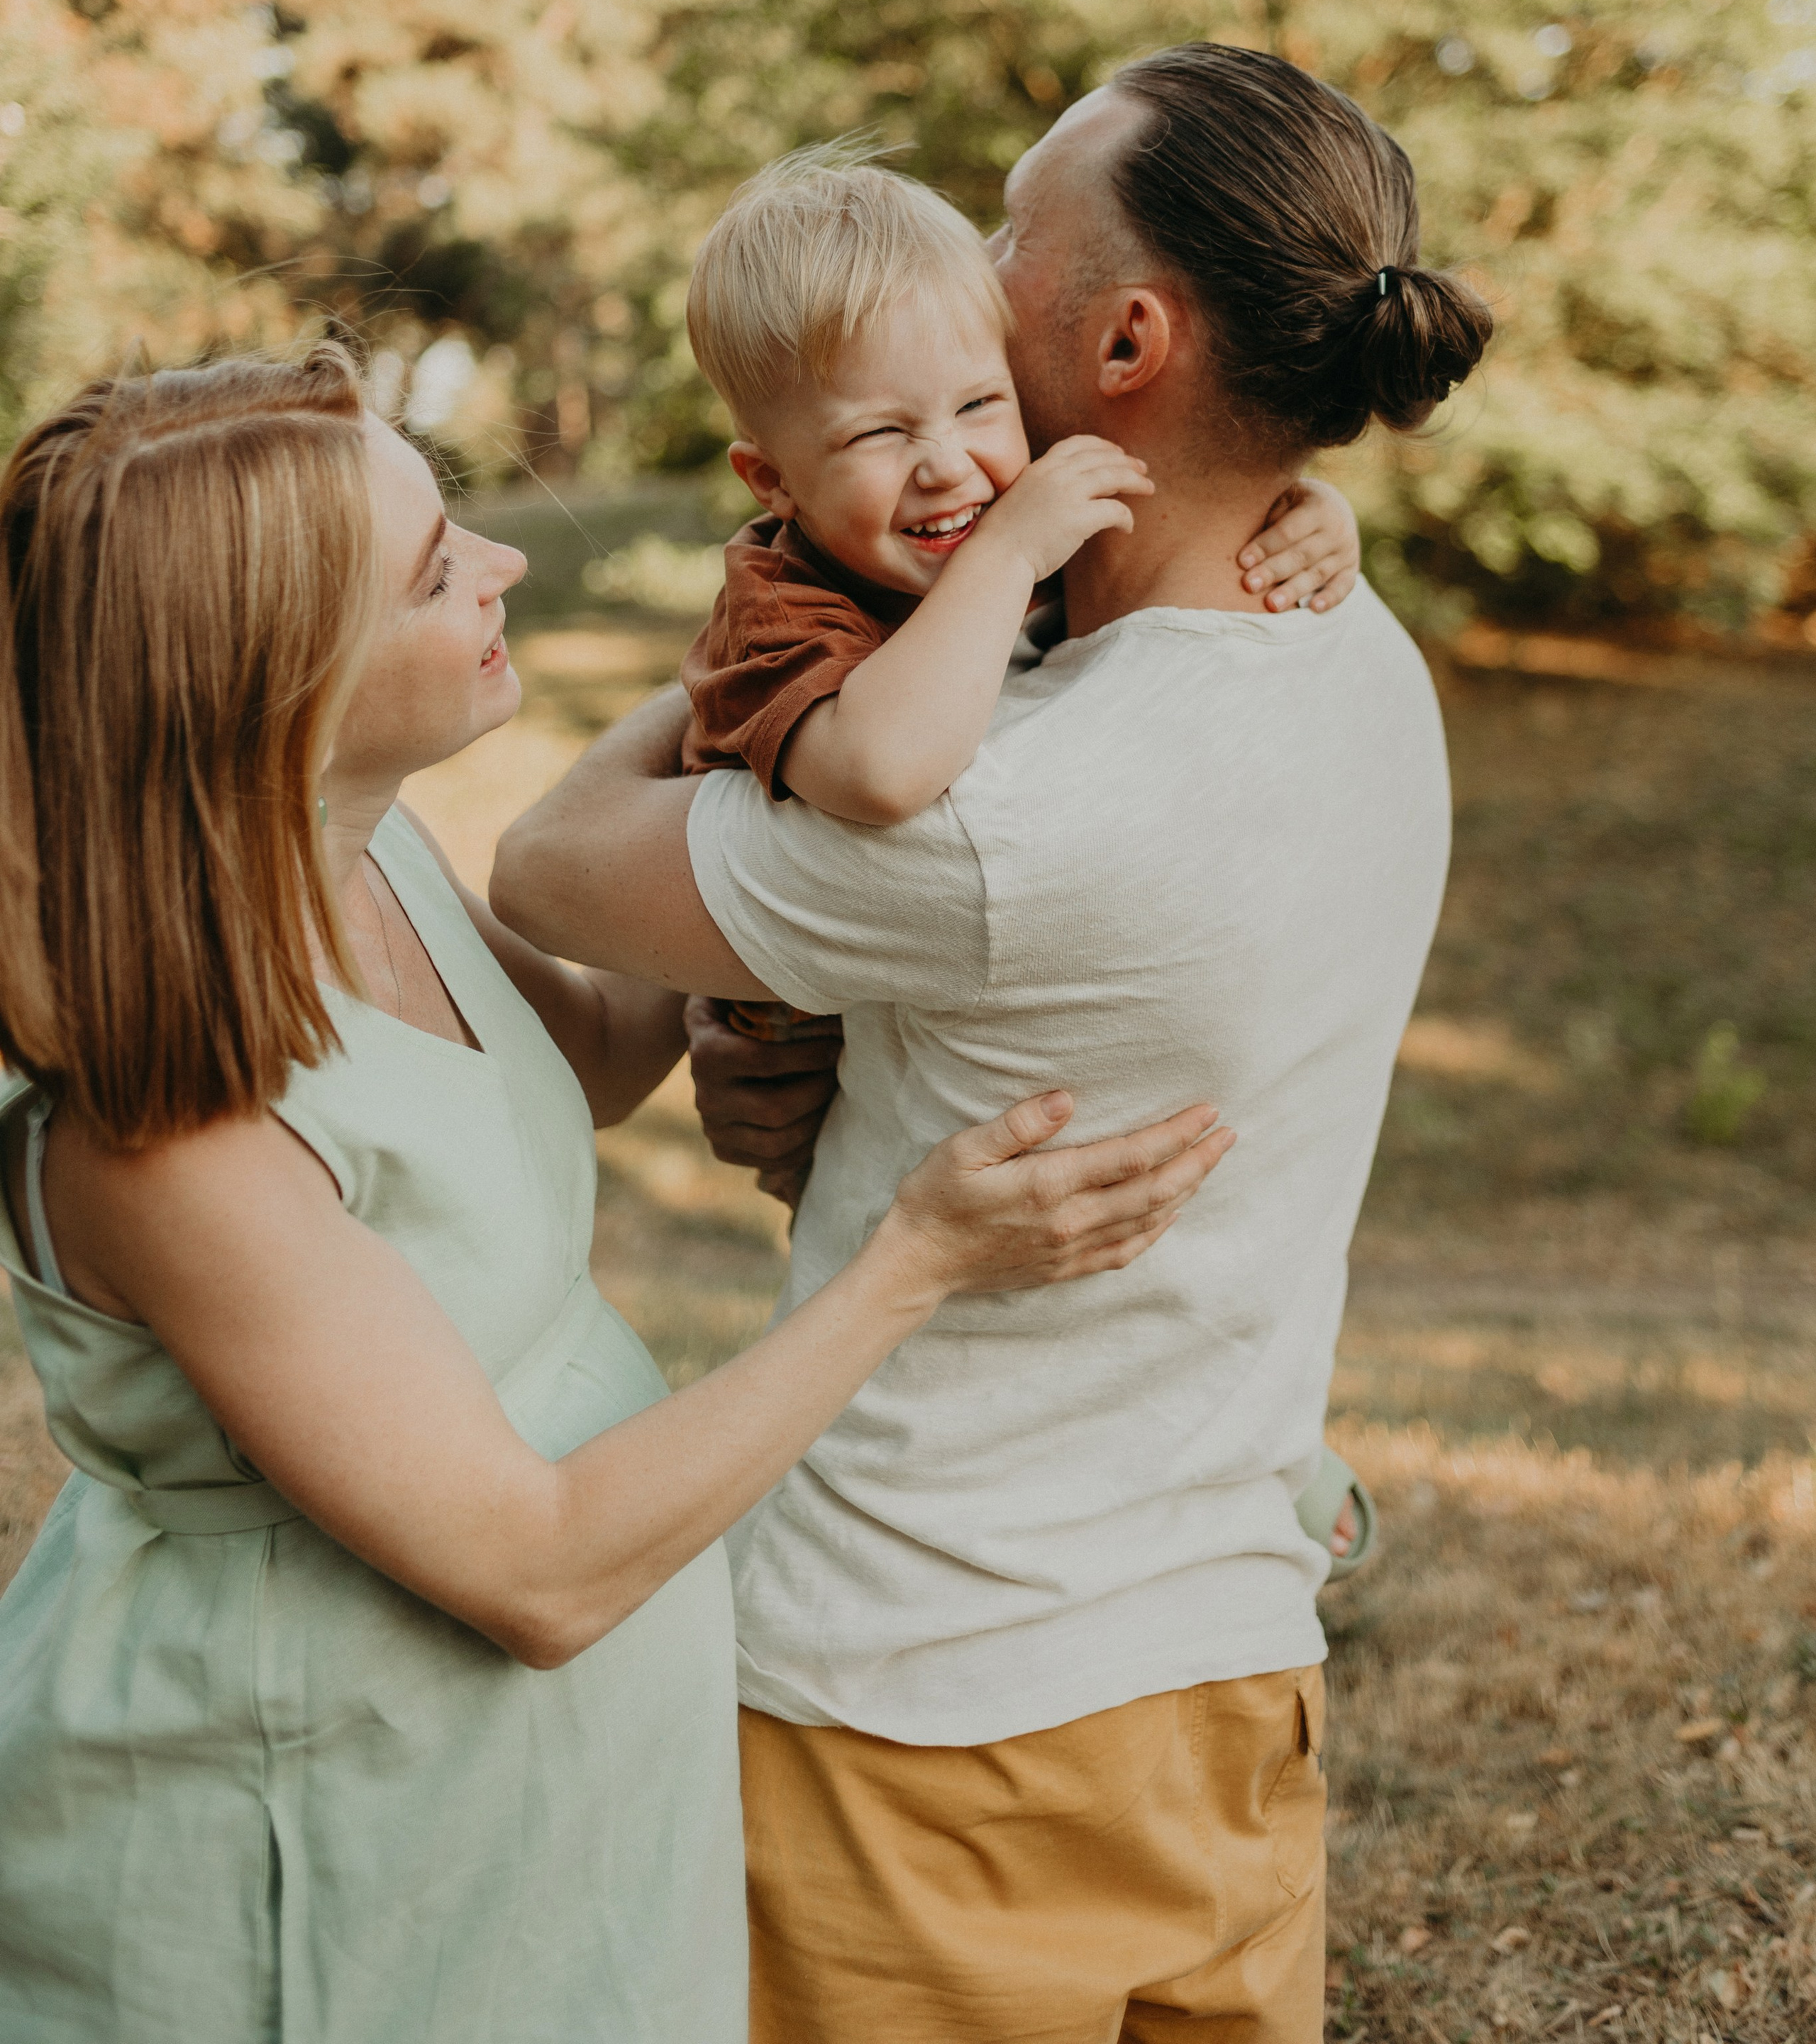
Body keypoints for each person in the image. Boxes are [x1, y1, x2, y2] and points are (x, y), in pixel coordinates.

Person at [0, 347, 1234, 2043]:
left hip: (519, 1784)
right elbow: (535, 1571)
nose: (503, 565)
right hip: (305, 1805)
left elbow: (562, 1064)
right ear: (278, 684)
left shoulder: (360, 849)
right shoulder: (170, 1132)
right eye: (440, 570)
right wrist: (918, 1259)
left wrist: (782, 680)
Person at [492, 42, 1492, 2044]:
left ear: (1123, 337)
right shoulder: (1356, 662)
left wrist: (738, 640)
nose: (969, 274)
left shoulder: (982, 818)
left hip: (926, 1719)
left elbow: (545, 869)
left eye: (1010, 241)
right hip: (1225, 1685)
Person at [675, 148, 1376, 1572]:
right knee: (926, 1233)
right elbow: (878, 770)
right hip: (798, 1024)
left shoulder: (981, 522)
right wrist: (1009, 552)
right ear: (770, 478)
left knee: (1117, 1174)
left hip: (917, 980)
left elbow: (1189, 520)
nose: (946, 463)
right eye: (877, 435)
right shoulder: (787, 602)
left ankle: (1255, 1445)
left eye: (979, 403)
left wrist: (1314, 517)